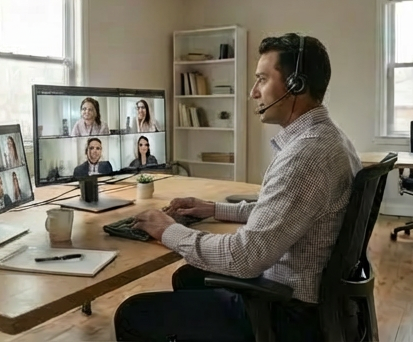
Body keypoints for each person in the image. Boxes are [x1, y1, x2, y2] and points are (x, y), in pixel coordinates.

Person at [113, 34, 360, 342]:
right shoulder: (330, 139)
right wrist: (213, 209)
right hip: (312, 300)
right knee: (189, 276)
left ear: (296, 85)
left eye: (262, 80)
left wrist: (166, 230)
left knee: (132, 314)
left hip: (288, 313)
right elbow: (284, 211)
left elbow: (245, 257)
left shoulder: (305, 155)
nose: (253, 92)